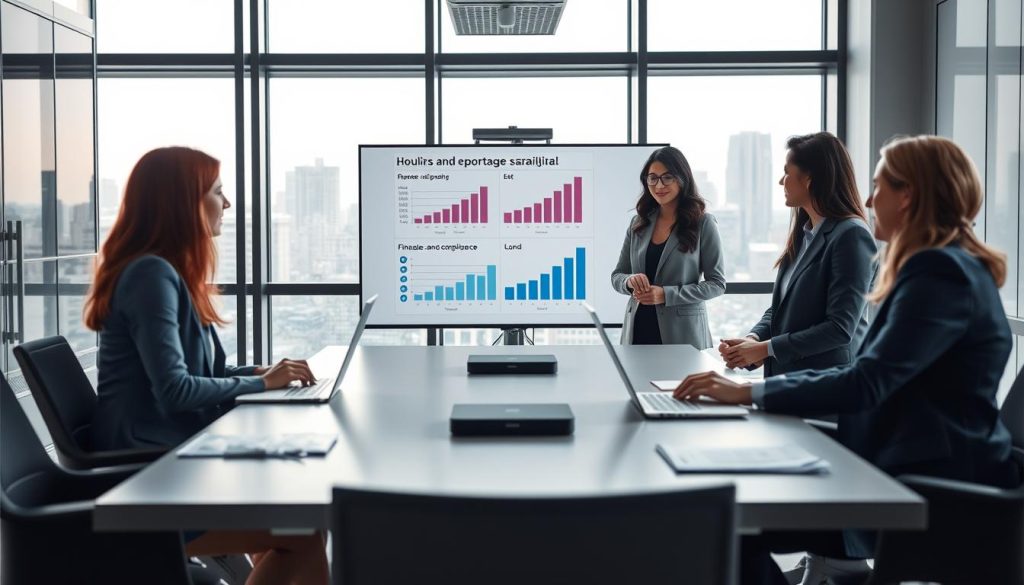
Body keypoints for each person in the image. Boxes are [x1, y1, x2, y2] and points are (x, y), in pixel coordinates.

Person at [674, 135, 1022, 584]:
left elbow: (866, 381)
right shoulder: (944, 266)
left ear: (909, 194)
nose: (871, 200)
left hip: (929, 487)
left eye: (879, 188)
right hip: (905, 467)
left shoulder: (940, 274)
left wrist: (746, 392)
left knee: (729, 527)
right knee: (736, 510)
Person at [84, 147, 328, 585]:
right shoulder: (150, 275)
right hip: (152, 472)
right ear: (184, 203)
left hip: (168, 457)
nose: (227, 204)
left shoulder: (165, 272)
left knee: (287, 518)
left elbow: (199, 374)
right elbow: (175, 390)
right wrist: (263, 384)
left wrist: (258, 373)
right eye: (218, 192)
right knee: (304, 535)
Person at [719, 132, 876, 377]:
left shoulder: (851, 236)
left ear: (809, 179)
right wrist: (752, 341)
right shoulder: (804, 234)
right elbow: (781, 310)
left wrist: (765, 349)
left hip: (826, 385)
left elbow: (839, 328)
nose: (782, 181)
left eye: (787, 173)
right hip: (789, 382)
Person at [610, 146, 726, 348]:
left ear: (682, 178)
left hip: (682, 336)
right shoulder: (639, 223)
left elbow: (717, 284)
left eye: (667, 177)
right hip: (638, 331)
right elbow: (617, 276)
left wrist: (666, 294)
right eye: (652, 178)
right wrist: (630, 281)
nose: (659, 185)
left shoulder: (703, 223)